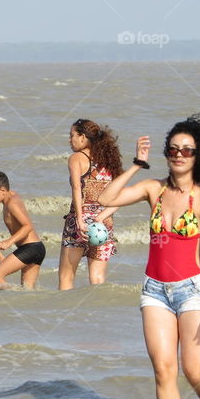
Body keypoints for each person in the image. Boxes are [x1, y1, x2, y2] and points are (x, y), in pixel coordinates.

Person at [97, 114, 200, 399]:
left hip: (193, 290)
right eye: (173, 149)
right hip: (154, 290)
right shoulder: (152, 189)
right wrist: (136, 165)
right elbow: (106, 198)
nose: (179, 155)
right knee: (163, 370)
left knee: (194, 372)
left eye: (187, 150)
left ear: (198, 156)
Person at [59, 119, 123, 289]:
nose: (69, 140)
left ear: (83, 137)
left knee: (66, 276)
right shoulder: (110, 160)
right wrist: (103, 217)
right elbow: (121, 196)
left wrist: (80, 220)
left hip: (79, 223)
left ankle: (67, 314)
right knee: (97, 279)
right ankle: (96, 314)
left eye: (72, 135)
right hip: (103, 223)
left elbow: (77, 189)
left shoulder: (76, 158)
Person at [0, 171, 45, 289]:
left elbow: (28, 226)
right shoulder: (11, 195)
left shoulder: (12, 203)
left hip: (30, 248)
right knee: (27, 290)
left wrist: (9, 241)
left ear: (3, 190)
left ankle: (7, 302)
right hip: (37, 248)